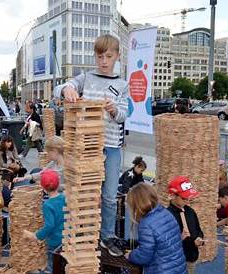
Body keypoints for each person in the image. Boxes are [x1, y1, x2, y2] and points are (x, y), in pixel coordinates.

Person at [54, 34, 129, 256]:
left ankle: (106, 235)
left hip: (111, 147)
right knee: (82, 189)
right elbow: (61, 89)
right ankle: (81, 230)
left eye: (108, 56)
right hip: (86, 147)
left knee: (108, 194)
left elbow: (123, 115)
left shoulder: (122, 85)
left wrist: (114, 109)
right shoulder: (86, 78)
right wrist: (67, 89)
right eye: (99, 56)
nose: (104, 61)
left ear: (117, 56)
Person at [126, 183, 187, 273]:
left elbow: (144, 256)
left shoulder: (146, 224)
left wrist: (130, 255)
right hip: (178, 268)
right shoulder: (165, 212)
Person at [23, 169, 65, 273]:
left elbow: (49, 226)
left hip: (54, 242)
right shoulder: (64, 198)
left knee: (51, 266)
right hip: (66, 239)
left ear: (43, 188)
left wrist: (36, 235)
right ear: (58, 184)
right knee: (62, 265)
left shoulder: (48, 205)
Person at [166, 176, 204, 274]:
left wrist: (199, 239)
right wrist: (180, 238)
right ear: (173, 195)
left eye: (189, 198)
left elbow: (198, 229)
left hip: (191, 256)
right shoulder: (167, 216)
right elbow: (163, 243)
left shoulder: (190, 211)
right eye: (184, 198)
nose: (187, 201)